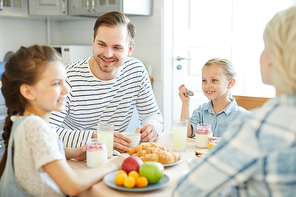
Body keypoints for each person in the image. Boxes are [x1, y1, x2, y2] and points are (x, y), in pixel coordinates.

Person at [173, 6, 296, 196]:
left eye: (266, 47)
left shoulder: (258, 126)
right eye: (204, 80)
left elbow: (187, 191)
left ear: (275, 58)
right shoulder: (202, 109)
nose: (207, 85)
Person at [0, 45, 125, 197]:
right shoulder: (34, 126)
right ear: (28, 92)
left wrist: (72, 152)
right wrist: (115, 164)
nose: (67, 90)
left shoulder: (24, 120)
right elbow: (73, 185)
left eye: (65, 81)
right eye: (56, 83)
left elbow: (37, 152)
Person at [49, 11, 163, 153]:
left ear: (130, 49)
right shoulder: (68, 78)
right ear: (93, 41)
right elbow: (47, 132)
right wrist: (99, 139)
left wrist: (152, 127)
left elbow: (152, 115)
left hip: (113, 157)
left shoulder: (136, 70)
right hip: (71, 157)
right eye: (102, 44)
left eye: (117, 47)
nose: (108, 54)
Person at [178, 58, 248, 138]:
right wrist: (185, 103)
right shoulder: (201, 111)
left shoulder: (242, 116)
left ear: (230, 83)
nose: (207, 86)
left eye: (214, 80)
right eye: (204, 80)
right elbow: (186, 134)